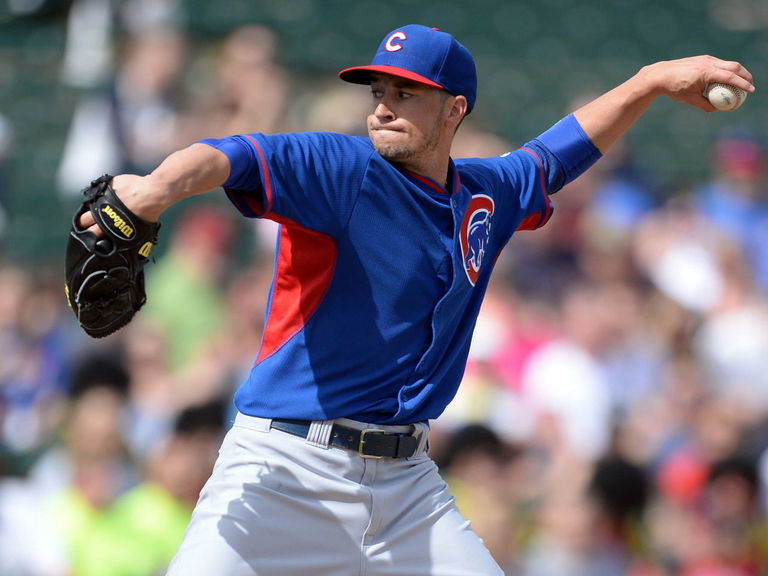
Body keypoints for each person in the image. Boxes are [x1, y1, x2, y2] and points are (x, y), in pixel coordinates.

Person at [77, 23, 755, 576]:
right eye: (379, 89)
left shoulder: (488, 193)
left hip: (405, 488)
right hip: (285, 467)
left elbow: (563, 151)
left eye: (406, 93)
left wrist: (651, 80)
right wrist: (155, 189)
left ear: (454, 109)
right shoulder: (342, 170)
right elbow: (231, 156)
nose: (382, 105)